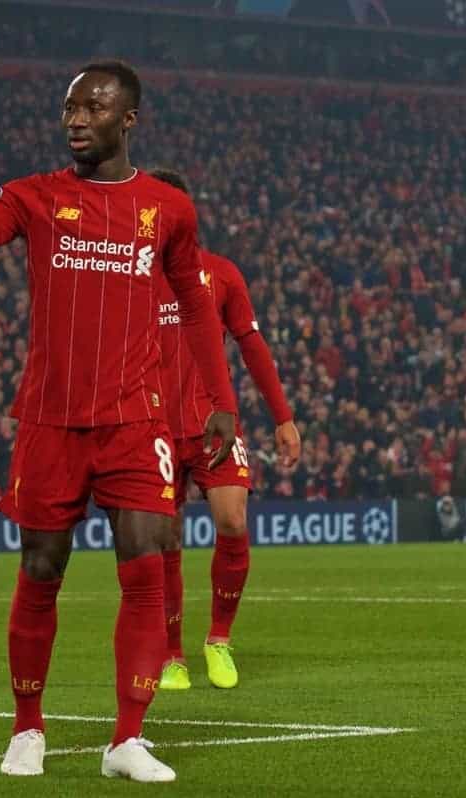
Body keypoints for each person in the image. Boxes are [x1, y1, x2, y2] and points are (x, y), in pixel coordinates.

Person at [0, 60, 238, 784]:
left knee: (146, 564)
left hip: (134, 418)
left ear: (129, 120)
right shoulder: (34, 196)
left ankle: (127, 738)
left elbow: (196, 304)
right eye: (69, 108)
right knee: (41, 569)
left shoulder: (168, 210)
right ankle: (28, 728)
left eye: (93, 107)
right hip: (51, 421)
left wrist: (221, 400)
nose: (76, 118)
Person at [147, 168, 301, 692]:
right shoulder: (134, 279)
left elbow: (253, 347)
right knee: (164, 537)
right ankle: (171, 655)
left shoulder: (221, 275)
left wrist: (283, 417)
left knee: (232, 521)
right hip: (154, 431)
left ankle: (218, 639)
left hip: (215, 423)